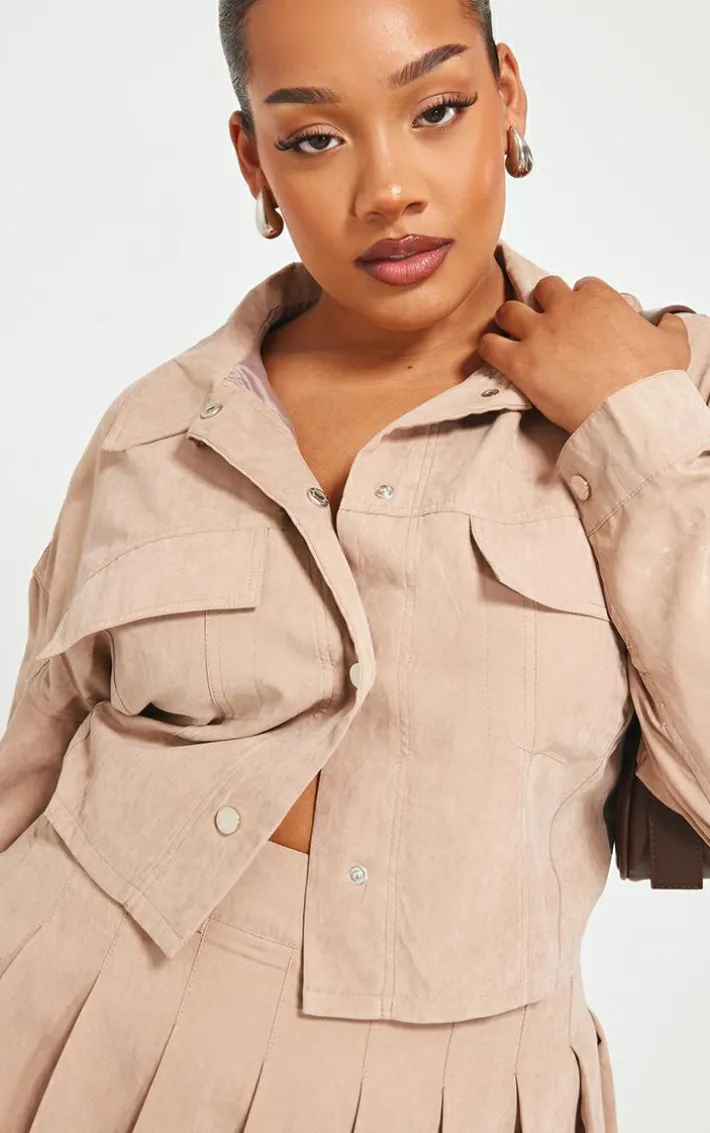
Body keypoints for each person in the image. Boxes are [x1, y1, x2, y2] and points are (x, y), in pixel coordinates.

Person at [0, 0, 708, 1130]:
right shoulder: (159, 426)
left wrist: (629, 428)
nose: (388, 189)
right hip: (64, 1024)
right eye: (315, 137)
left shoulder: (671, 401)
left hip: (452, 1086)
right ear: (255, 162)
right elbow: (34, 759)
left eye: (436, 109)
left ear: (508, 96)